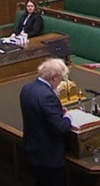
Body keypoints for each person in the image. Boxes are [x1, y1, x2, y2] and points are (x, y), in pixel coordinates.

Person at [19, 58, 72, 186]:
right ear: (54, 78)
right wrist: (68, 118)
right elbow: (60, 127)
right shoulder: (48, 96)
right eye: (60, 79)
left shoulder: (27, 89)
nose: (60, 82)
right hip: (48, 157)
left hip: (31, 151)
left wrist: (58, 111)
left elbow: (38, 114)